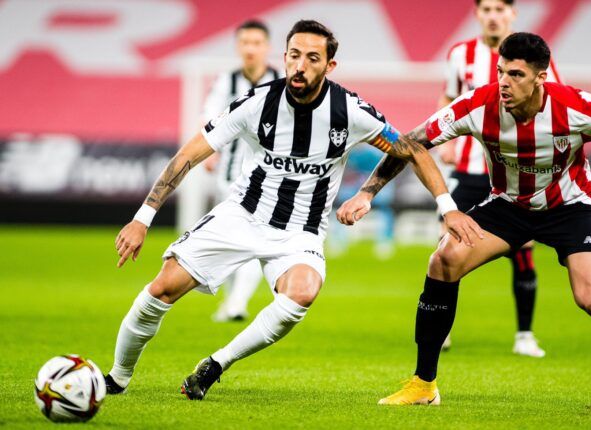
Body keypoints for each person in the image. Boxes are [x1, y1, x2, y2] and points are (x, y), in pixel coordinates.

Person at [337, 33, 591, 417]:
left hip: (570, 207)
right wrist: (368, 192)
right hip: (509, 205)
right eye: (502, 72)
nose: (504, 83)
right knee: (443, 260)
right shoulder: (478, 104)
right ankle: (423, 384)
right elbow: (411, 142)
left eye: (516, 75)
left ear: (541, 77)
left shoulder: (573, 106)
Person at [103, 19, 481, 401]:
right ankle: (116, 378)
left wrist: (443, 206)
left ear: (329, 66)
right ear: (284, 57)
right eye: (294, 56)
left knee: (302, 292)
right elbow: (189, 154)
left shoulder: (348, 111)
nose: (300, 66)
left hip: (302, 231)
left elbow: (411, 150)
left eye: (312, 58)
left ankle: (216, 364)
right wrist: (142, 218)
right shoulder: (257, 102)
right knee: (161, 289)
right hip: (242, 215)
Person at [438, 0, 562, 356]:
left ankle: (524, 335)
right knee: (446, 247)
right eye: (486, 8)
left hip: (515, 172)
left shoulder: (533, 57)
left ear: (512, 14)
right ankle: (442, 328)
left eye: (499, 9)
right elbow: (448, 96)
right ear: (477, 13)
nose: (493, 15)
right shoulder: (460, 54)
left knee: (523, 249)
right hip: (470, 168)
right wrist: (445, 141)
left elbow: (556, 101)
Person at [201, 19, 281, 323]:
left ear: (267, 47)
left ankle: (236, 303)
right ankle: (232, 301)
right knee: (234, 238)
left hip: (268, 177)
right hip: (230, 175)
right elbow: (209, 118)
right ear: (238, 47)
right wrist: (210, 151)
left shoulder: (282, 80)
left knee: (249, 238)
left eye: (256, 43)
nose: (250, 49)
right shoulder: (226, 82)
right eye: (245, 43)